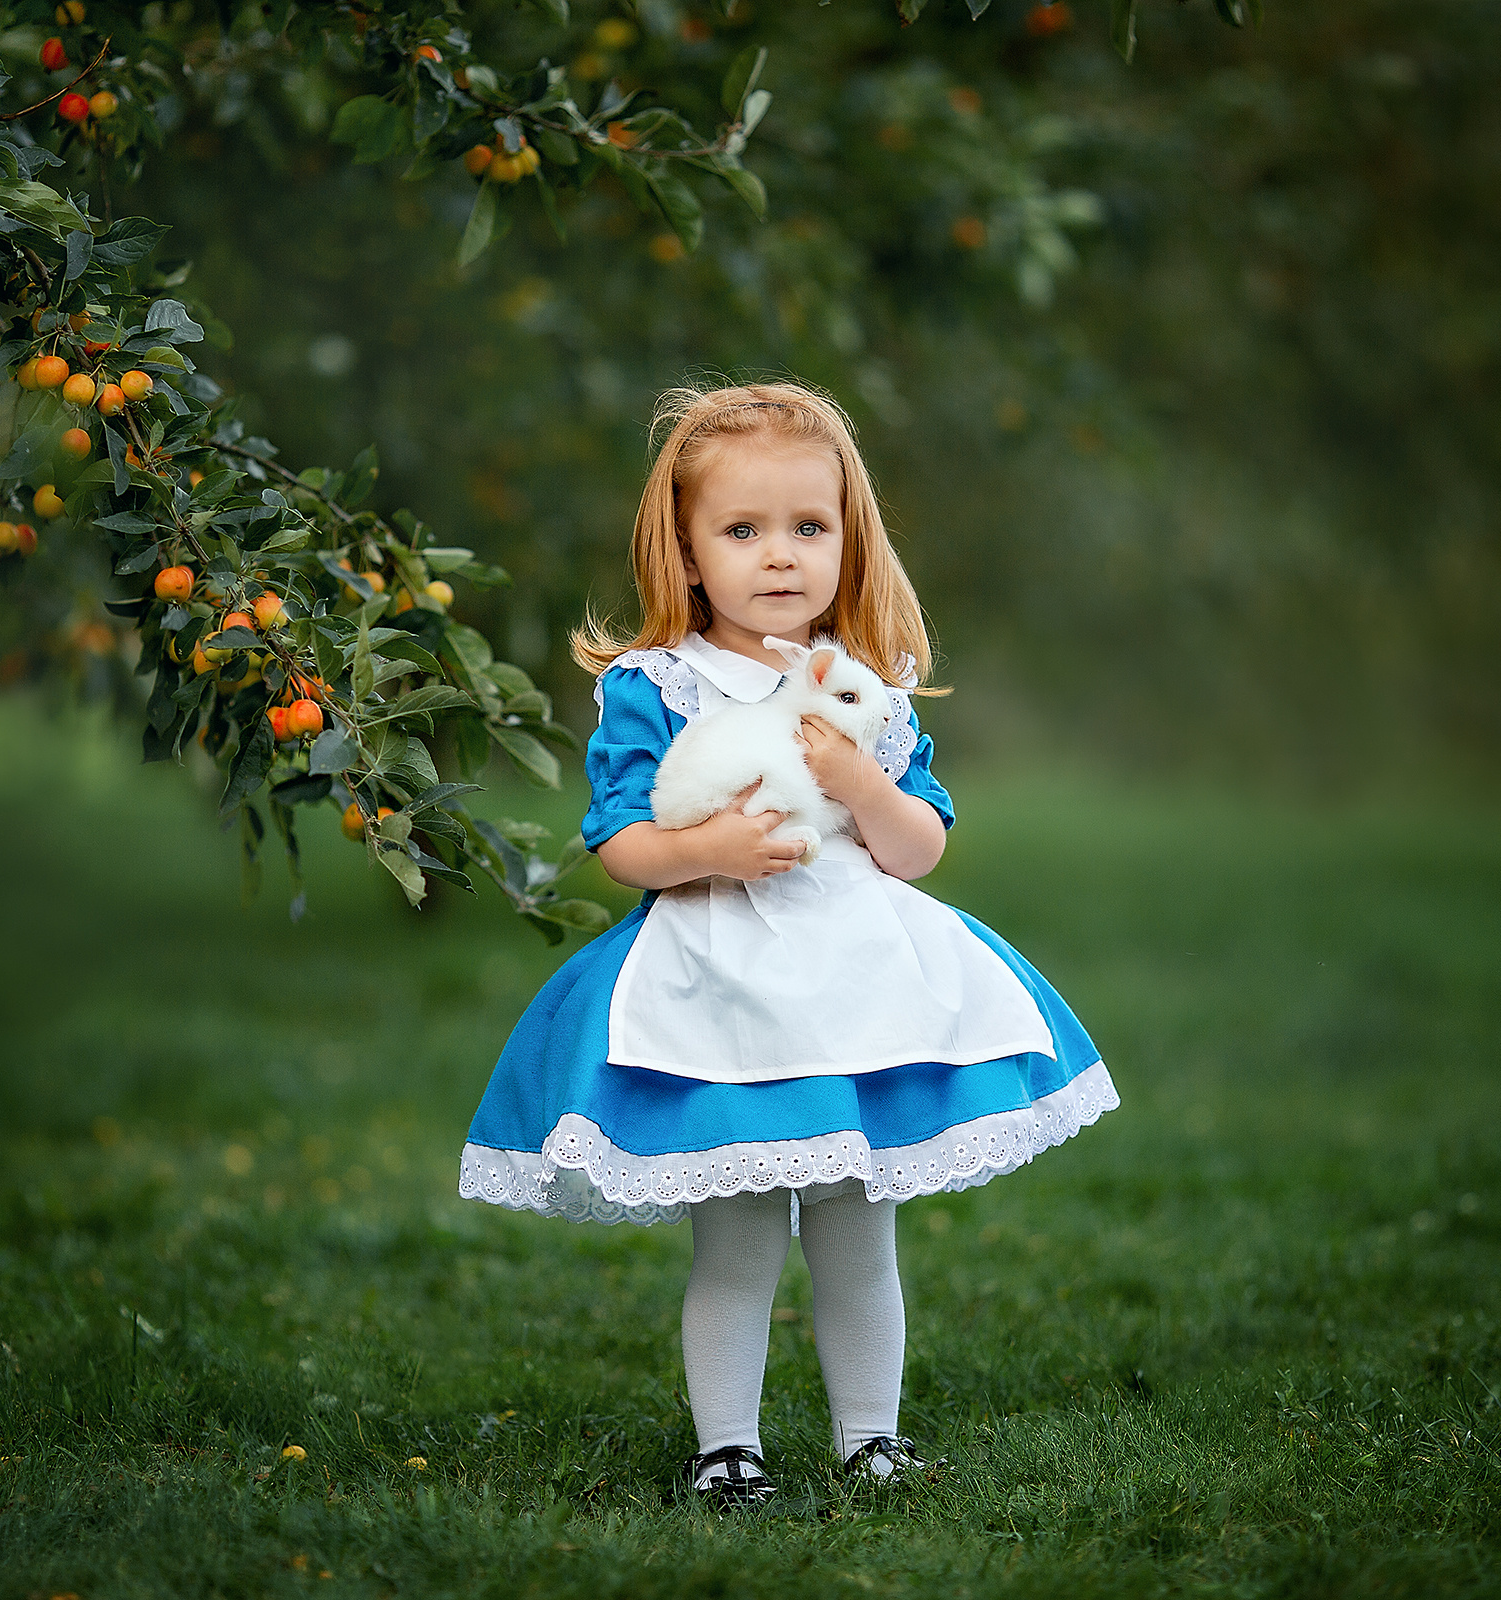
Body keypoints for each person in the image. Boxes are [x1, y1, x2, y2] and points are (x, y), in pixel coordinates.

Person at [457, 380, 1119, 1508]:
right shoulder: (659, 682)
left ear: (849, 541)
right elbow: (619, 840)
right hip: (722, 980)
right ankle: (728, 1449)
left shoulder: (866, 686)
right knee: (742, 1231)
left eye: (809, 529)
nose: (780, 557)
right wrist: (708, 844)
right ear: (687, 549)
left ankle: (873, 1437)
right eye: (743, 530)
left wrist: (863, 780)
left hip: (861, 986)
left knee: (862, 1228)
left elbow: (916, 848)